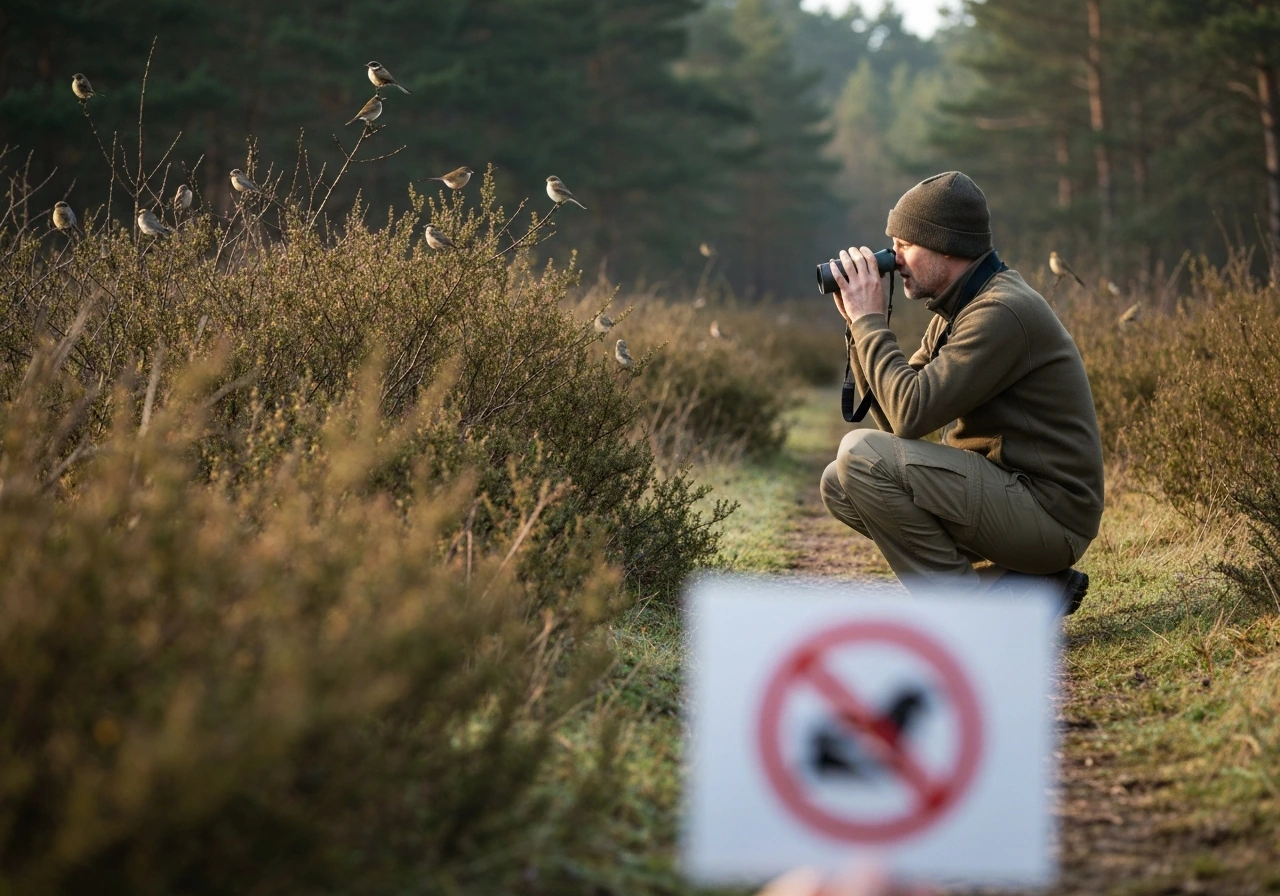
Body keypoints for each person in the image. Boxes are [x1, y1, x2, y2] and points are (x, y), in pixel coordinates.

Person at [820, 171, 1103, 611]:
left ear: (946, 245)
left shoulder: (1002, 310)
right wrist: (858, 327)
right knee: (839, 481)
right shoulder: (958, 310)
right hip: (1014, 499)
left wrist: (869, 322)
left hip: (1050, 515)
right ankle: (1015, 590)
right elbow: (898, 419)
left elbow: (910, 413)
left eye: (904, 245)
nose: (892, 259)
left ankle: (971, 617)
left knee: (860, 454)